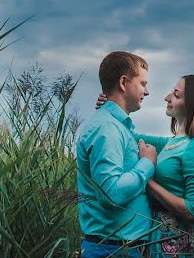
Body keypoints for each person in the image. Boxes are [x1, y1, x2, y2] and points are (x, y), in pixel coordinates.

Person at [96, 74, 194, 258]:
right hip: (154, 240)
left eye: (176, 95)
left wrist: (146, 179)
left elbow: (192, 210)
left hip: (174, 247)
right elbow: (129, 134)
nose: (167, 97)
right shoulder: (171, 143)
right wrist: (110, 106)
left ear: (193, 105)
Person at [76, 51, 159, 258]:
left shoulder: (117, 126)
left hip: (120, 248)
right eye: (142, 83)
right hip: (113, 249)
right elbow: (111, 193)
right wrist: (147, 164)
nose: (147, 92)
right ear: (123, 82)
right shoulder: (107, 128)